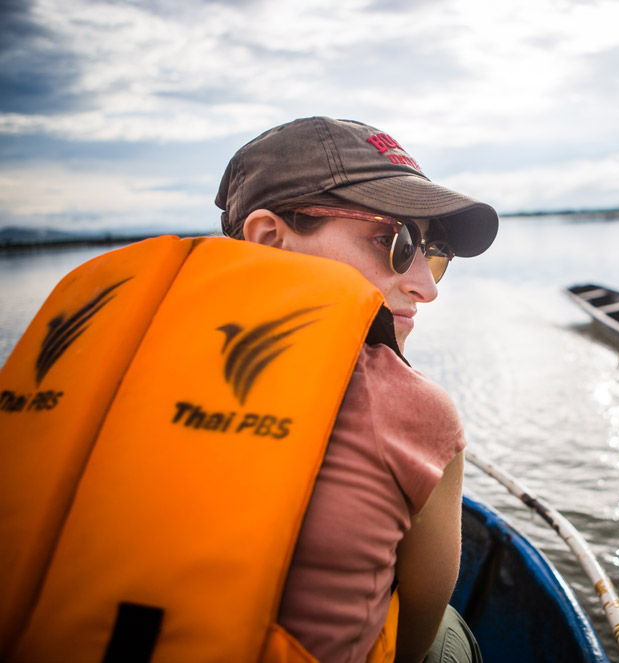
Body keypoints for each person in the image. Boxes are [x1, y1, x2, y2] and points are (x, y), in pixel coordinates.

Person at [0, 117, 497, 663]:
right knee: (449, 632)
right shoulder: (416, 408)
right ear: (268, 238)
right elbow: (414, 638)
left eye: (432, 251)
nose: (425, 287)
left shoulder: (90, 362)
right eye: (393, 241)